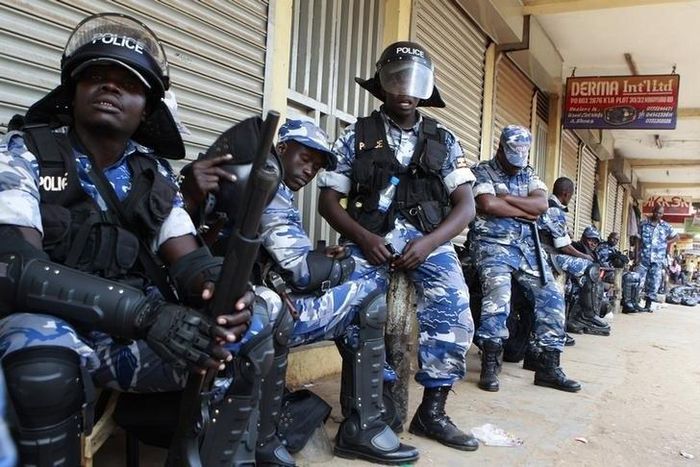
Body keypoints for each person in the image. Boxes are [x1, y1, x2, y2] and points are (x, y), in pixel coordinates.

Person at [0, 13, 258, 465]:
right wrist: (146, 314)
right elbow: (15, 266)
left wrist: (226, 287)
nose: (109, 87)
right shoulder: (25, 152)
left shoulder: (150, 171)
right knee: (39, 354)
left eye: (128, 83)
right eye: (95, 77)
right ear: (73, 92)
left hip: (138, 341)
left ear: (147, 108)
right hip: (63, 332)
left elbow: (186, 256)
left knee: (255, 319)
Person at [180, 119, 419, 464]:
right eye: (305, 158)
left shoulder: (254, 176)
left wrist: (321, 259)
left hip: (230, 299)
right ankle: (360, 429)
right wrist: (346, 266)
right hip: (240, 313)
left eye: (317, 166)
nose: (309, 170)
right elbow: (302, 272)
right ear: (281, 149)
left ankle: (281, 434)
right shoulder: (268, 185)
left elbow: (278, 258)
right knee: (367, 297)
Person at [317, 41, 479, 451]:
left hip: (429, 240)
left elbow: (465, 206)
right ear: (382, 84)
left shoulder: (443, 138)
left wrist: (429, 243)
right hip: (369, 238)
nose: (405, 89)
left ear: (426, 88)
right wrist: (363, 238)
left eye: (414, 81)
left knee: (457, 309)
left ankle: (433, 411)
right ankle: (376, 398)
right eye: (397, 79)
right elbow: (328, 201)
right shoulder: (356, 135)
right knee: (346, 306)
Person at [469, 125, 580, 394]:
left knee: (553, 295)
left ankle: (548, 366)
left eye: (522, 157)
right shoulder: (481, 171)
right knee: (499, 295)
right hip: (491, 246)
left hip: (527, 249)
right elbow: (487, 205)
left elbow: (541, 206)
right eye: (512, 157)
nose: (517, 165)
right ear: (501, 149)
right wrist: (522, 206)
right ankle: (491, 362)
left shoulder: (529, 173)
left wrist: (505, 198)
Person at [537, 179, 609, 337]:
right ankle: (586, 316)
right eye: (571, 195)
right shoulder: (555, 210)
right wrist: (585, 257)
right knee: (591, 268)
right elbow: (564, 246)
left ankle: (572, 319)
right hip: (548, 256)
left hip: (546, 253)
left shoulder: (548, 206)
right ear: (565, 194)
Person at [635, 204, 679, 311]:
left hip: (658, 259)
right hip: (644, 257)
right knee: (638, 280)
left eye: (660, 213)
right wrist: (636, 255)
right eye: (656, 212)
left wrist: (665, 242)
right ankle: (634, 302)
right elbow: (637, 240)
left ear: (662, 214)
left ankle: (648, 305)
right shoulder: (643, 224)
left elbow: (677, 236)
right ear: (652, 211)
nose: (657, 214)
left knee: (653, 281)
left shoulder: (666, 226)